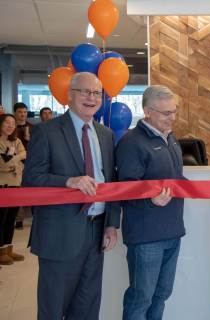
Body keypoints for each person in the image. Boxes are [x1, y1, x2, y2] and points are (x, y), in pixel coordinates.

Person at [22, 72, 120, 320]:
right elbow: (31, 180)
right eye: (85, 92)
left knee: (88, 306)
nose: (91, 98)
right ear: (69, 95)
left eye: (97, 93)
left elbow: (112, 183)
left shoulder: (106, 135)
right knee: (53, 307)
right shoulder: (46, 132)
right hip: (59, 233)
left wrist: (111, 224)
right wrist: (69, 181)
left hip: (96, 232)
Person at [116, 85, 185, 320]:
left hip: (172, 231)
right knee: (140, 298)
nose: (172, 118)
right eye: (166, 113)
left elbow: (176, 179)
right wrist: (151, 200)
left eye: (174, 111)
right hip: (146, 236)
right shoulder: (131, 143)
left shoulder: (172, 138)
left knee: (161, 295)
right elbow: (124, 190)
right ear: (147, 111)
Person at [0, 114, 26, 265]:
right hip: (2, 185)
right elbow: (2, 165)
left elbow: (25, 154)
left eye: (13, 123)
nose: (10, 126)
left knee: (11, 219)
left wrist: (12, 160)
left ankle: (9, 249)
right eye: (7, 123)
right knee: (1, 219)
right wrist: (17, 158)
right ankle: (1, 250)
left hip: (16, 183)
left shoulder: (16, 141)